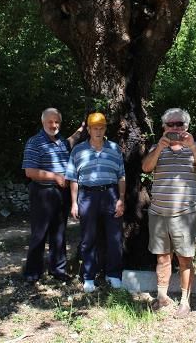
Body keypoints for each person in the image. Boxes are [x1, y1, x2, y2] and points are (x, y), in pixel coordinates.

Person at [142, 108, 196, 318]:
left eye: (179, 124)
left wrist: (192, 146)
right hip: (159, 213)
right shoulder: (156, 147)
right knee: (162, 258)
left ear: (186, 127)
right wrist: (159, 149)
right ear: (163, 128)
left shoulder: (195, 147)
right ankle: (162, 297)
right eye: (170, 125)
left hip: (184, 214)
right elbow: (146, 167)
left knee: (185, 259)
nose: (174, 128)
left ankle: (185, 302)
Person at [65, 112, 126, 293]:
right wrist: (74, 203)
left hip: (110, 194)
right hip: (87, 196)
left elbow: (121, 175)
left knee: (114, 238)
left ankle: (113, 274)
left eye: (101, 128)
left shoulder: (115, 149)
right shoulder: (78, 150)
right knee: (88, 238)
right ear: (89, 130)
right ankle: (89, 276)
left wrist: (121, 198)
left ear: (105, 129)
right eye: (95, 128)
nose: (98, 131)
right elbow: (73, 178)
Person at [22, 108, 84, 283]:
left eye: (57, 122)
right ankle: (32, 273)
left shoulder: (62, 141)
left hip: (61, 194)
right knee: (39, 233)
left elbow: (71, 141)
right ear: (43, 122)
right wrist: (56, 177)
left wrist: (80, 131)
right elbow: (30, 172)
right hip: (43, 193)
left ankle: (58, 270)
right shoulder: (34, 142)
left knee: (59, 233)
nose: (54, 125)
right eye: (50, 121)